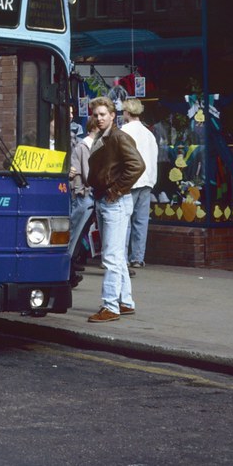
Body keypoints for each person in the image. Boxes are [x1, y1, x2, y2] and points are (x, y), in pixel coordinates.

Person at [86, 96, 145, 323]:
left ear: (113, 115)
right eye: (96, 115)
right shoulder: (104, 137)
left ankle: (110, 306)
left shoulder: (119, 137)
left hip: (114, 202)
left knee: (110, 257)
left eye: (103, 114)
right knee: (117, 255)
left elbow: (137, 166)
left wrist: (117, 190)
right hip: (107, 200)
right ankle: (125, 302)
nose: (99, 118)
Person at [121, 97, 158, 268]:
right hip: (147, 180)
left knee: (125, 220)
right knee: (141, 222)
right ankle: (137, 257)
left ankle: (123, 257)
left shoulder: (125, 130)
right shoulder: (148, 133)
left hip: (131, 180)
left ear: (127, 112)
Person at [67, 117, 99, 288]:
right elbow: (88, 175)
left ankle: (71, 271)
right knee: (75, 235)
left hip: (83, 194)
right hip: (83, 195)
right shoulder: (85, 146)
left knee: (77, 235)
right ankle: (68, 272)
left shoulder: (85, 145)